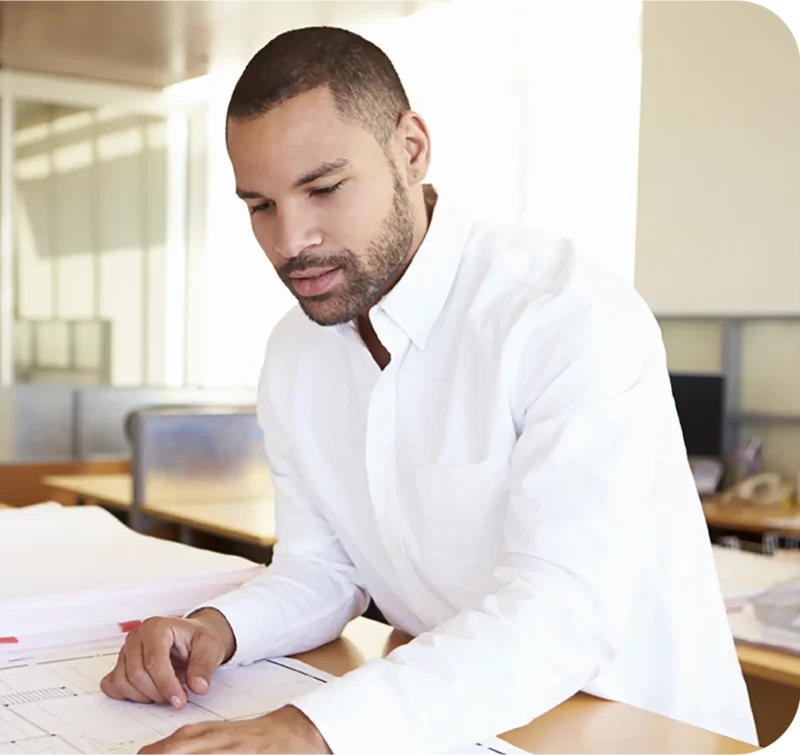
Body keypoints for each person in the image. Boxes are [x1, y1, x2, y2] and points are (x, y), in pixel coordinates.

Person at [101, 25, 758, 754]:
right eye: (260, 205)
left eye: (323, 188)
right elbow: (324, 570)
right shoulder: (295, 354)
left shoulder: (566, 315)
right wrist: (217, 629)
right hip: (455, 722)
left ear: (410, 149)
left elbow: (559, 613)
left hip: (640, 728)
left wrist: (312, 730)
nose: (290, 241)